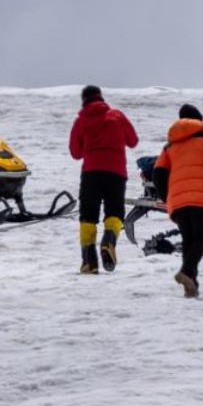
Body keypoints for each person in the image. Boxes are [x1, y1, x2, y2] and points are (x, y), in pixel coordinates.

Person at [151, 104, 203, 298]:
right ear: (199, 120)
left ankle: (192, 285)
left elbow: (158, 173)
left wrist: (167, 196)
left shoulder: (170, 145)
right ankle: (187, 272)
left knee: (189, 241)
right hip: (200, 196)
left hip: (179, 200)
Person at [69, 85, 139, 274]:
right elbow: (133, 141)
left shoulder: (80, 121)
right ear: (101, 98)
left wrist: (91, 148)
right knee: (114, 212)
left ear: (84, 100)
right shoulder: (117, 116)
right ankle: (109, 240)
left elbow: (75, 153)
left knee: (88, 217)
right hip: (116, 173)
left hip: (91, 172)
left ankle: (89, 262)